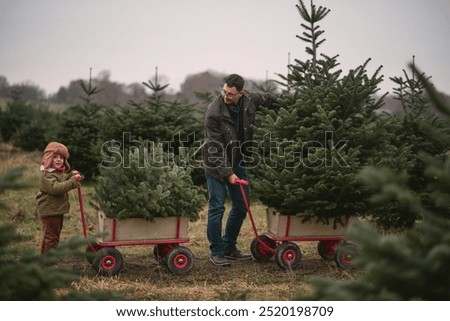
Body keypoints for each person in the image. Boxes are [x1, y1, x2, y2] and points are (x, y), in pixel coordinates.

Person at [203, 74, 275, 266]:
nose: (226, 97)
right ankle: (217, 251)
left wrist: (294, 106)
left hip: (239, 159)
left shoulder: (250, 100)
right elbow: (215, 148)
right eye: (224, 92)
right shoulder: (214, 112)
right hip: (216, 164)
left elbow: (270, 99)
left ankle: (229, 247)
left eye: (230, 94)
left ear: (240, 93)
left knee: (242, 206)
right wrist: (229, 174)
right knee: (217, 206)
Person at [36, 142, 82, 254]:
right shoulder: (47, 174)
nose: (58, 160)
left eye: (61, 157)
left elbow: (62, 179)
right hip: (50, 211)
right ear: (48, 158)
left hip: (55, 210)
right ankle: (49, 266)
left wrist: (70, 175)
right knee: (52, 239)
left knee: (49, 237)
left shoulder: (56, 173)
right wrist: (72, 182)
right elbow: (56, 188)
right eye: (55, 157)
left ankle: (43, 262)